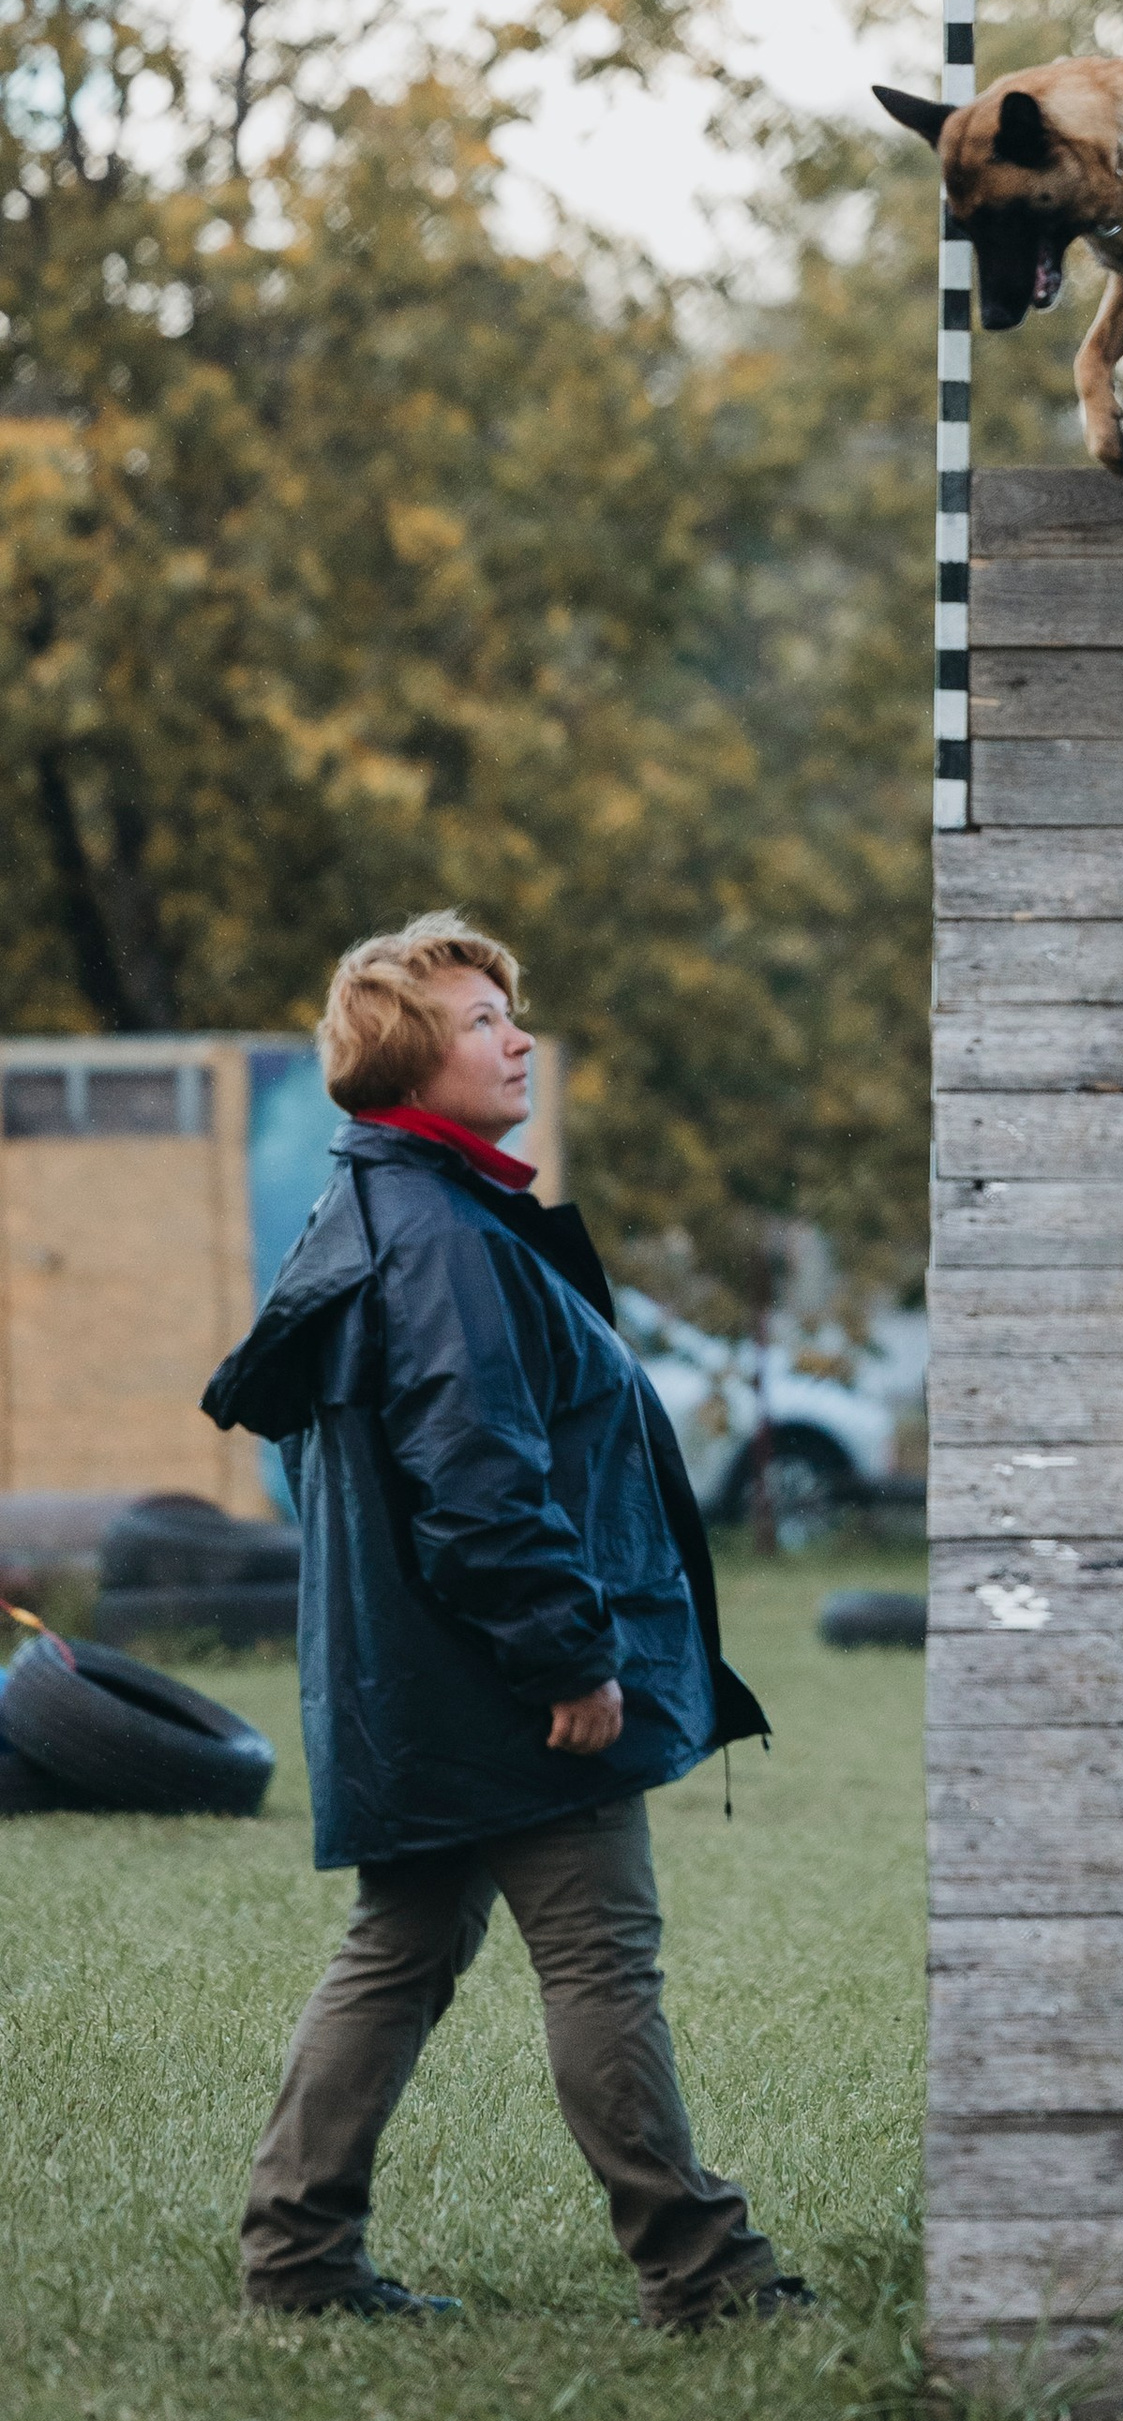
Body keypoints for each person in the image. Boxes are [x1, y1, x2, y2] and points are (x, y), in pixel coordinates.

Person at [205, 909, 798, 2329]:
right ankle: (703, 2273)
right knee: (601, 1962)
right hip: (506, 1687)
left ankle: (297, 2256)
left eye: (508, 1015)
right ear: (409, 1058)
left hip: (424, 1682)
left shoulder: (389, 1211)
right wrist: (567, 1658)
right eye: (483, 1022)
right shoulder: (441, 1238)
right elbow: (476, 1479)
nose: (519, 1039)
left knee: (398, 1952)